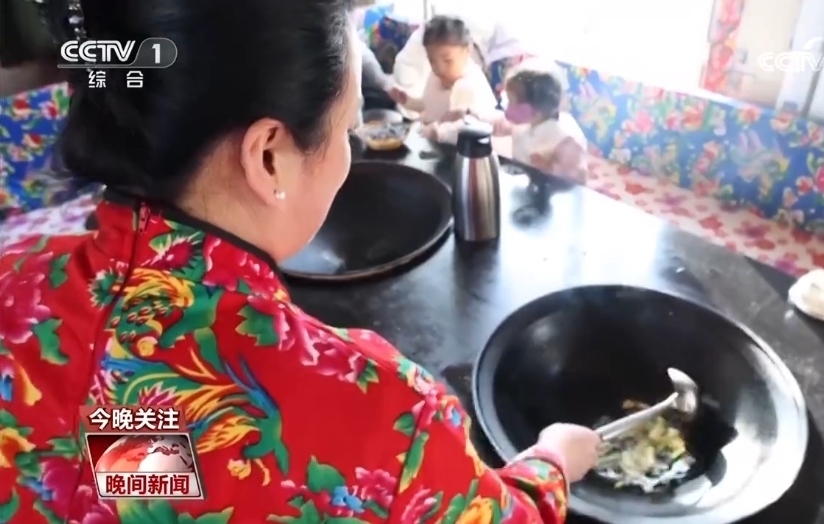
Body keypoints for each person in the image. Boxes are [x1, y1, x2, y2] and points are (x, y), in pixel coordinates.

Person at [0, 0, 601, 522]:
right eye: (347, 130)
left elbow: (127, 466)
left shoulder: (14, 285)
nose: (347, 153)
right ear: (268, 158)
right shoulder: (384, 417)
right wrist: (551, 461)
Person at [386, 15, 499, 144]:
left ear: (468, 50)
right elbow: (430, 106)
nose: (439, 68)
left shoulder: (469, 86)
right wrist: (407, 101)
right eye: (432, 61)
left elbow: (467, 126)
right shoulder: (436, 77)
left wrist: (438, 131)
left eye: (447, 60)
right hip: (429, 142)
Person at [492, 60, 590, 182]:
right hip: (524, 179)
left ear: (535, 111)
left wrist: (551, 168)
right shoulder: (524, 123)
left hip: (553, 189)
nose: (507, 109)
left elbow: (579, 178)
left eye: (511, 102)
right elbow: (504, 126)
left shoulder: (565, 139)